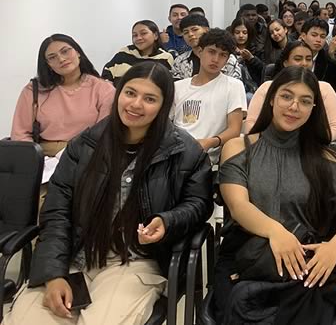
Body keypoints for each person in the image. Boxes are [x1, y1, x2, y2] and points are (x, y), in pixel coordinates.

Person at [4, 62, 213, 325]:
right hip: (75, 256)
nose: (136, 104)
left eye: (149, 99)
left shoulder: (185, 151)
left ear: (164, 106)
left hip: (134, 262)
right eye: (130, 93)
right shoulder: (85, 145)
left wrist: (168, 220)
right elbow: (57, 211)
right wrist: (52, 274)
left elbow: (198, 204)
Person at [212, 66, 336, 322]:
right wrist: (276, 232)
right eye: (286, 96)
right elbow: (238, 206)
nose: (294, 106)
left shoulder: (326, 158)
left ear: (313, 109)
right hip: (249, 260)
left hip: (306, 263)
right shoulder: (239, 148)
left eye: (305, 101)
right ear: (271, 98)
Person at [11, 34, 115, 157]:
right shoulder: (33, 90)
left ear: (78, 52)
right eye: (52, 57)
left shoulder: (103, 89)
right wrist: (35, 158)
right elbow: (20, 134)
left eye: (65, 51)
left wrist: (64, 153)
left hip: (86, 159)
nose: (61, 59)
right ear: (48, 64)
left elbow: (103, 136)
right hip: (43, 160)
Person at [172, 29, 246, 164]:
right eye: (211, 52)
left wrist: (209, 142)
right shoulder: (178, 87)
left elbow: (234, 129)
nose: (216, 59)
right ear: (200, 52)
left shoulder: (234, 86)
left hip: (207, 159)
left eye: (223, 55)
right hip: (175, 153)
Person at [245, 42, 336, 140]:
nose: (304, 63)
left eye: (308, 59)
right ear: (285, 63)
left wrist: (312, 143)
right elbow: (251, 124)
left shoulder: (324, 89)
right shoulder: (267, 87)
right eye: (298, 59)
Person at [170, 14, 241, 81]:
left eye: (195, 30)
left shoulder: (228, 59)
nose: (190, 34)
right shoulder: (180, 61)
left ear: (207, 30)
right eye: (186, 32)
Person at [102, 20, 174, 86]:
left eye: (143, 33)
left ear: (155, 35)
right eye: (135, 35)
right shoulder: (124, 53)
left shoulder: (165, 58)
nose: (138, 38)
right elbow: (107, 72)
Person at [227, 17, 261, 94]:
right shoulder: (227, 49)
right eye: (237, 32)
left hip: (252, 88)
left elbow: (263, 71)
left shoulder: (257, 49)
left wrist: (251, 59)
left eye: (244, 32)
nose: (241, 36)